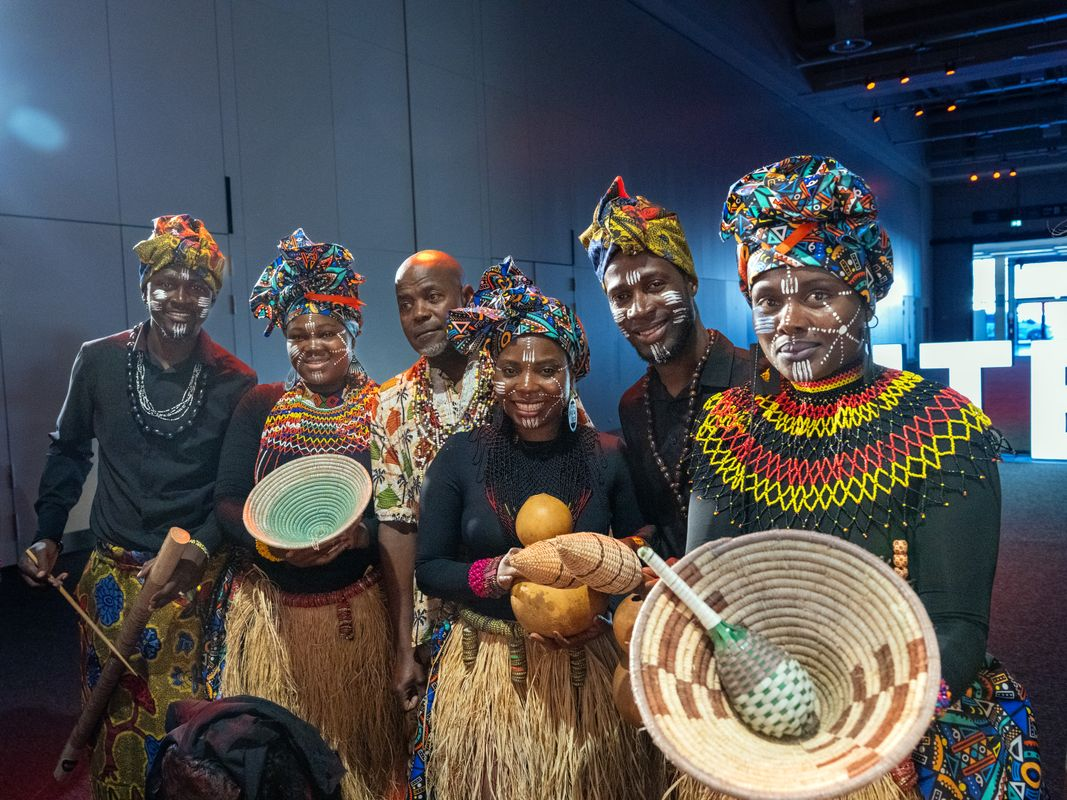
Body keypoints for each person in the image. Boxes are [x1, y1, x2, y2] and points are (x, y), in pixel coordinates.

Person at [688, 155, 1044, 800]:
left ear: (868, 295)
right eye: (767, 299)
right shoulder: (728, 425)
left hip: (905, 715)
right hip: (764, 713)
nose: (788, 321)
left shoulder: (940, 425)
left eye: (818, 294)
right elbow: (702, 594)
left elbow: (959, 623)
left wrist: (877, 722)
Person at [17, 214, 256, 799]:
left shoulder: (235, 380)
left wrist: (197, 550)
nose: (181, 297)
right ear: (145, 283)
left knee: (189, 725)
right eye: (168, 281)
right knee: (112, 715)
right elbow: (70, 451)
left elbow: (232, 491)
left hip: (192, 582)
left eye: (198, 286)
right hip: (111, 578)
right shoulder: (98, 361)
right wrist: (48, 531)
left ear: (214, 297)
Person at [410, 258, 655, 800]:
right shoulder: (460, 457)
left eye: (547, 369)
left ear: (572, 374)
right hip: (487, 669)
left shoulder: (607, 455)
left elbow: (642, 541)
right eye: (508, 369)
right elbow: (429, 569)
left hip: (584, 672)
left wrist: (605, 587)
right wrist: (499, 574)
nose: (527, 385)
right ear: (489, 374)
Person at [213, 229, 405, 800]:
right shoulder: (261, 404)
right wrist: (272, 547)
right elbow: (226, 499)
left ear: (351, 334)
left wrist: (363, 536)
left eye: (326, 332)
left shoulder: (384, 409)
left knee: (360, 760)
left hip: (356, 614)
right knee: (280, 766)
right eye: (298, 335)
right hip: (273, 615)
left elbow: (402, 509)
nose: (312, 345)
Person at [580, 178, 749, 559]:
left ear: (690, 281)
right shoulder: (634, 406)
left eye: (655, 284)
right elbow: (655, 521)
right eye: (621, 296)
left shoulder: (759, 382)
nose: (639, 309)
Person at [370, 249, 494, 711]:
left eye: (433, 297)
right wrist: (404, 647)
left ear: (465, 298)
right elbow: (397, 525)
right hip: (437, 623)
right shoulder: (390, 405)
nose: (419, 313)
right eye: (405, 303)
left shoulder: (518, 379)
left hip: (520, 610)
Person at [146, 696, 345, 800]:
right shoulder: (217, 718)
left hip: (274, 765)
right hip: (283, 754)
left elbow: (225, 793)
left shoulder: (184, 755)